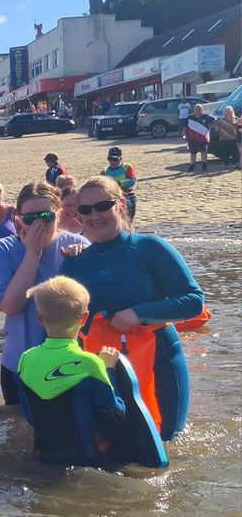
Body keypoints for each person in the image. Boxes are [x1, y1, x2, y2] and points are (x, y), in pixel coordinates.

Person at [60, 176, 204, 440]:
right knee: (111, 447)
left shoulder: (150, 248)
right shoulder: (73, 263)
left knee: (167, 442)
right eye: (86, 209)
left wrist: (139, 314)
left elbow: (193, 301)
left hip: (159, 360)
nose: (94, 216)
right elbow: (59, 321)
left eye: (103, 206)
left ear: (121, 204)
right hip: (102, 367)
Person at [0, 182, 88, 406]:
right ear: (18, 219)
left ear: (59, 215)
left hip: (70, 364)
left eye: (46, 216)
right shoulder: (2, 249)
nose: (39, 225)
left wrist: (83, 262)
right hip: (19, 364)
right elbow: (11, 306)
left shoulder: (78, 245)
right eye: (30, 219)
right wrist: (32, 253)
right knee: (19, 436)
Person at [16, 277, 129, 466]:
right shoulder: (90, 363)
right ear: (84, 318)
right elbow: (113, 416)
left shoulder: (26, 359)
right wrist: (108, 369)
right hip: (86, 460)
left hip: (43, 456)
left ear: (39, 318)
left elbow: (29, 414)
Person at [101, 146, 138, 219]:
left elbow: (132, 180)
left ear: (120, 158)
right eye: (110, 159)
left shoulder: (127, 167)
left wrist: (120, 183)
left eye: (115, 159)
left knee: (128, 220)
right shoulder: (104, 171)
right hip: (112, 198)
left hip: (127, 197)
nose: (112, 162)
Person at [184, 103, 211, 172]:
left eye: (199, 109)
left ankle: (204, 165)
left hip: (203, 138)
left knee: (203, 152)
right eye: (196, 109)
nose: (198, 110)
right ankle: (192, 166)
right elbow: (185, 127)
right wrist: (185, 135)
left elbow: (213, 122)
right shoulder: (190, 117)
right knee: (193, 153)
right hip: (192, 138)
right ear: (194, 110)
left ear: (202, 110)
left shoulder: (206, 117)